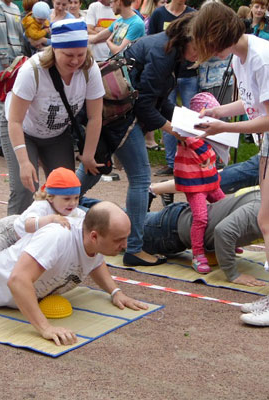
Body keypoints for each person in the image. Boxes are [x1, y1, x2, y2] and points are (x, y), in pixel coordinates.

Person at [78, 13, 199, 267]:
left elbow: (158, 98)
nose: (202, 54)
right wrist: (173, 130)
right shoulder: (163, 53)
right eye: (199, 46)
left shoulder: (168, 48)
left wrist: (185, 120)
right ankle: (134, 248)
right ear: (186, 39)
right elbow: (145, 105)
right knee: (141, 178)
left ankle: (57, 206)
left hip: (115, 112)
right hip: (121, 116)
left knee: (94, 168)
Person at [192, 2, 269, 327]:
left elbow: (267, 118)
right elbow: (251, 102)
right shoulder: (243, 56)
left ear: (217, 36)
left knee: (267, 220)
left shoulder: (262, 58)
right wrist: (218, 112)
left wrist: (224, 128)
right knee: (266, 219)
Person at [0, 201, 148, 345]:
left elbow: (95, 261)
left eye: (126, 237)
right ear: (94, 236)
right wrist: (45, 328)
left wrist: (115, 292)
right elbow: (17, 280)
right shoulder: (58, 236)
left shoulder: (89, 235)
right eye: (118, 240)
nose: (125, 245)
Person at [6, 19, 104, 215]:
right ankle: (14, 237)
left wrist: (88, 155)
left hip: (57, 134)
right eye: (68, 55)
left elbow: (95, 116)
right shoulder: (32, 70)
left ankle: (57, 238)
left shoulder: (89, 69)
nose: (75, 61)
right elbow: (14, 120)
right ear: (54, 50)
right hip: (23, 130)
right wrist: (25, 163)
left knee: (65, 190)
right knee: (25, 189)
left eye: (80, 54)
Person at [141, 187, 266, 288]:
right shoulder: (260, 208)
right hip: (170, 231)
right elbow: (223, 231)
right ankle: (144, 193)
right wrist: (233, 274)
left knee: (131, 220)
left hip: (176, 223)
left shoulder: (263, 197)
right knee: (124, 228)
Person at [0, 167, 85, 266]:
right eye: (67, 199)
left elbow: (86, 223)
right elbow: (28, 225)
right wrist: (52, 219)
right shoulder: (42, 205)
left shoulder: (75, 212)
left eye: (76, 198)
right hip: (8, 233)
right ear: (50, 197)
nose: (73, 203)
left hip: (24, 241)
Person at [170, 92, 226, 274]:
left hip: (210, 181)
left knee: (225, 207)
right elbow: (204, 152)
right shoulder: (187, 133)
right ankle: (198, 254)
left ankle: (225, 243)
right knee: (201, 218)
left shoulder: (207, 134)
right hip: (195, 185)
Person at [148, 0, 196, 177]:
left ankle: (189, 163)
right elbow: (151, 40)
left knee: (185, 117)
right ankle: (172, 163)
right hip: (164, 74)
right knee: (166, 113)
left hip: (188, 75)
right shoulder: (159, 14)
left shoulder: (192, 14)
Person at [0, 0, 25, 157]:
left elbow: (19, 34)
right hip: (3, 61)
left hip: (16, 59)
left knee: (12, 101)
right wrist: (5, 63)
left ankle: (10, 140)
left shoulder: (15, 8)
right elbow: (1, 36)